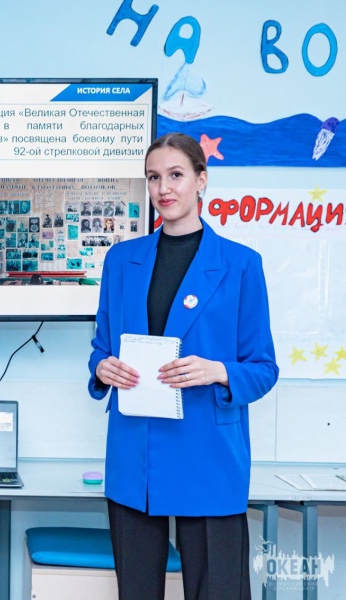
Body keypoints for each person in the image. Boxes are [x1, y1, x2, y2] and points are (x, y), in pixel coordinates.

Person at [88, 132, 278, 600]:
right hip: (135, 455)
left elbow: (263, 368)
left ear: (201, 180)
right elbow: (100, 347)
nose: (163, 188)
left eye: (175, 175)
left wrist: (218, 371)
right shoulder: (121, 261)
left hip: (208, 455)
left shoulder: (241, 265)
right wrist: (102, 369)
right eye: (154, 177)